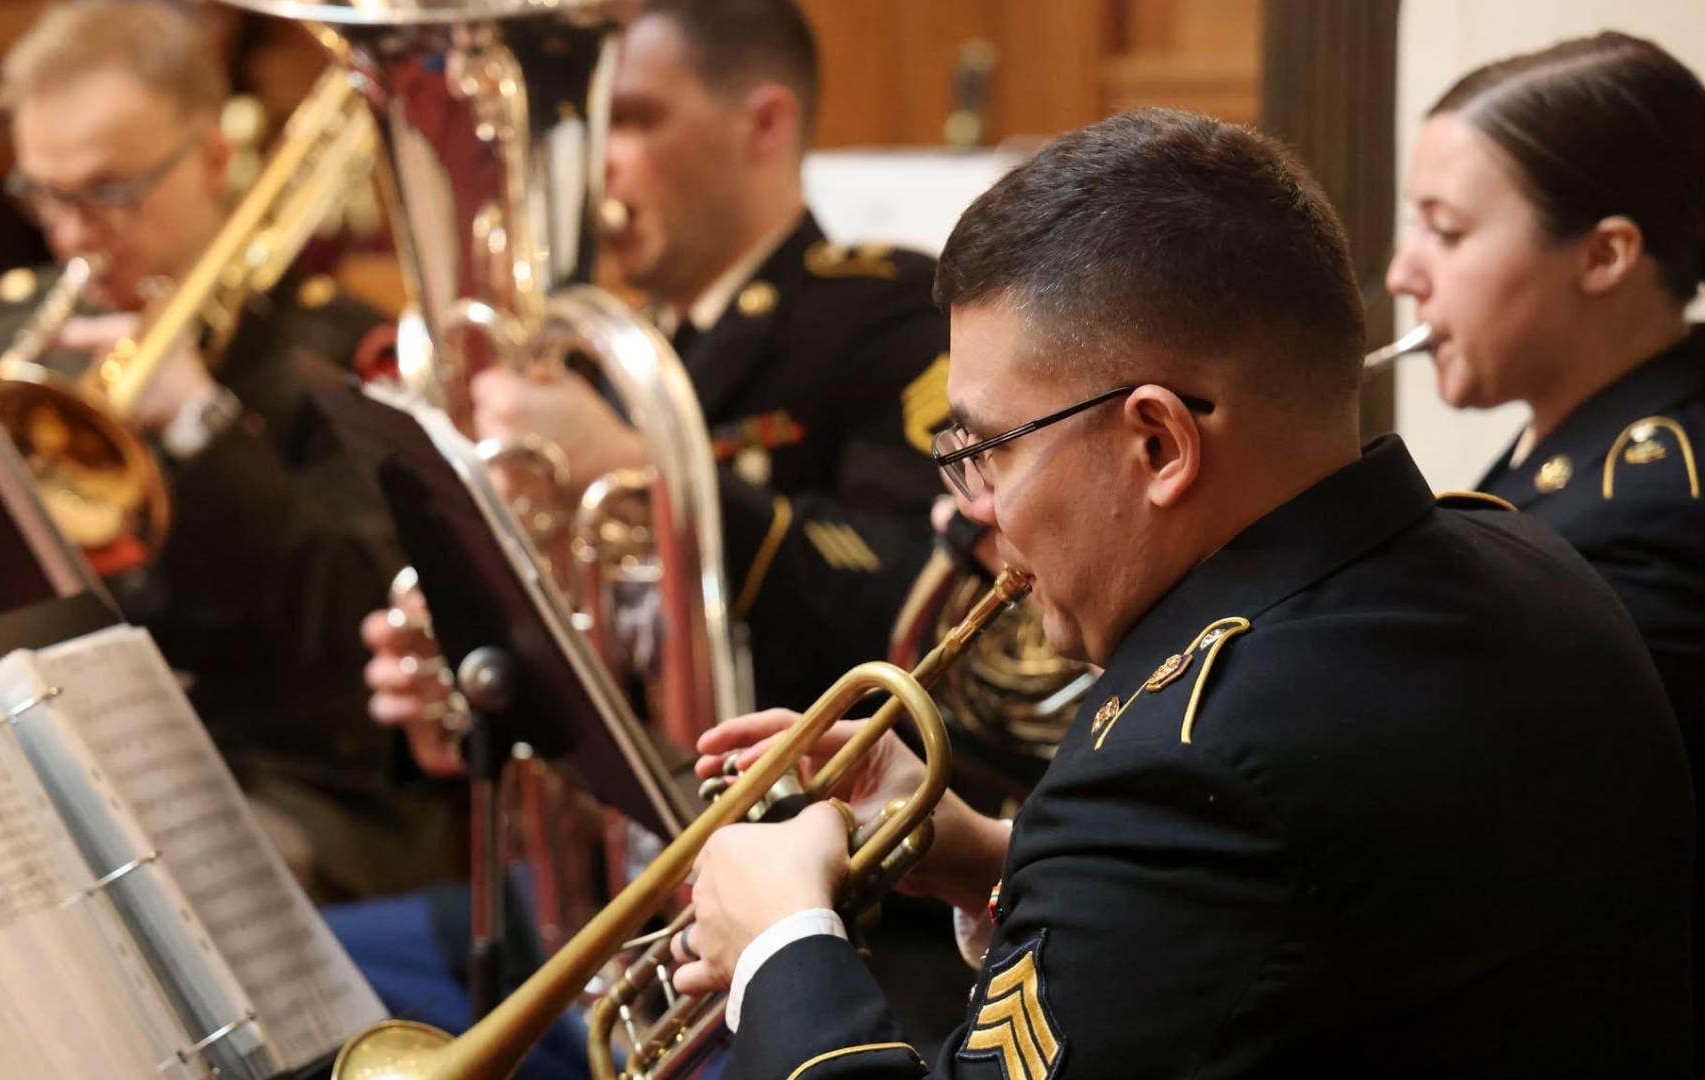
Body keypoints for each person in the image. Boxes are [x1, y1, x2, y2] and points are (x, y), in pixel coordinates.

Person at [677, 108, 1693, 1078]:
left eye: (985, 452)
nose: (974, 511)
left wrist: (781, 943)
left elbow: (1235, 851)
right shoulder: (1518, 558)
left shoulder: (1187, 757)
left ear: (1158, 443)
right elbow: (1278, 940)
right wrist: (989, 856)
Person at [0, 0, 457, 902]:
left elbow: (352, 633)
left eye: (107, 192)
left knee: (154, 897)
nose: (70, 235)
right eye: (42, 195)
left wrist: (201, 424)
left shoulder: (345, 357)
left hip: (294, 784)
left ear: (215, 158)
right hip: (69, 757)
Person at [362, 0, 950, 768]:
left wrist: (644, 477)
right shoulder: (603, 356)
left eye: (634, 119)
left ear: (765, 126)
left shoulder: (887, 308)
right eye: (589, 123)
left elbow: (919, 600)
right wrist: (477, 684)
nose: (596, 155)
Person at [1385, 30, 1705, 1040]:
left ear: (1605, 255)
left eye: (1445, 230)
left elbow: (1441, 828)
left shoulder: (1654, 507)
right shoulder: (1578, 444)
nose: (1402, 273)